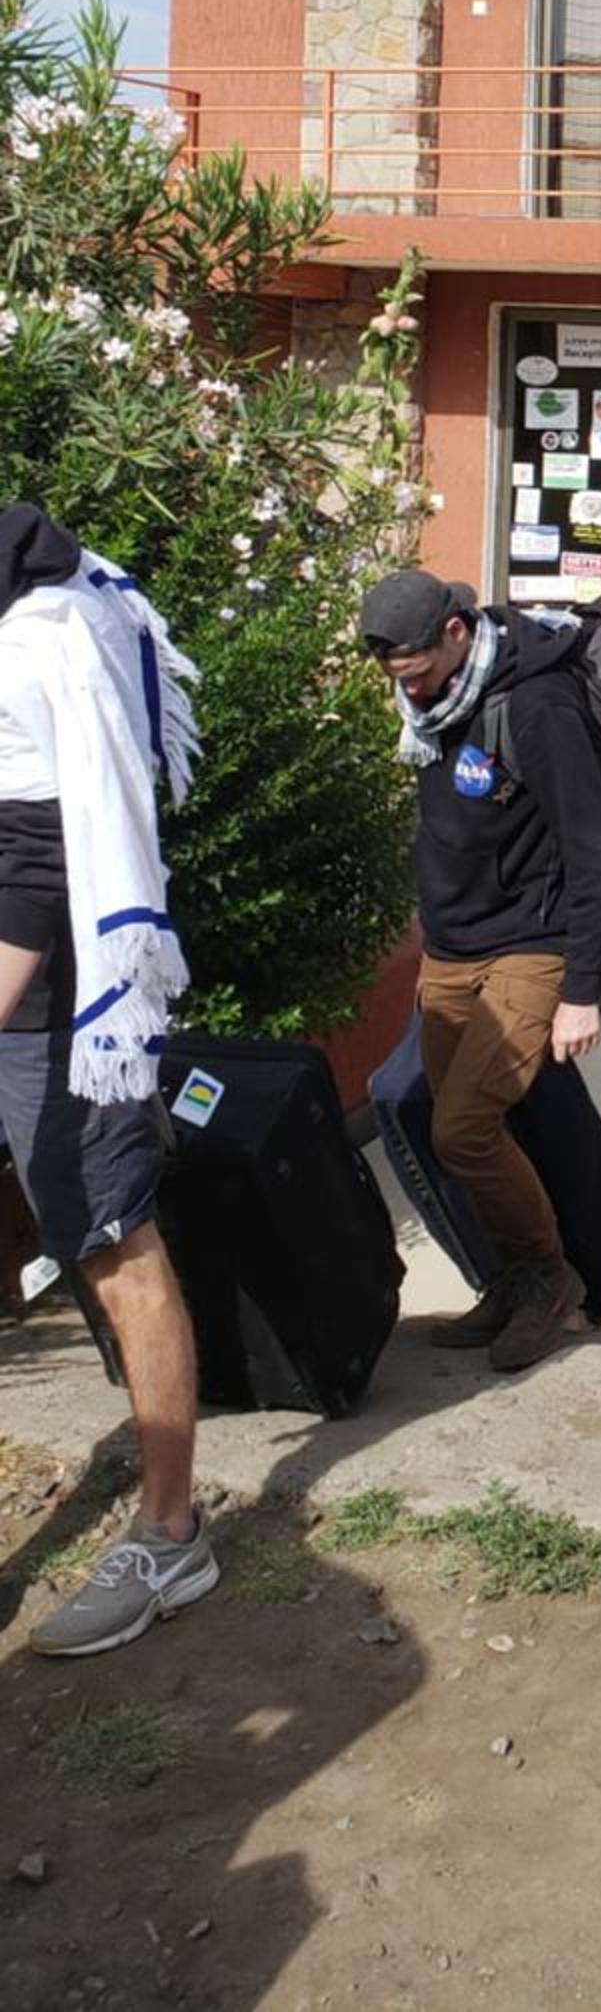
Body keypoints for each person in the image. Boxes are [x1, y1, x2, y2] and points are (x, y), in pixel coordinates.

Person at [0, 502, 218, 1657]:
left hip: (63, 1015)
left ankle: (171, 1532)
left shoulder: (35, 640)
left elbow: (38, 863)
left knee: (114, 1249)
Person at [358, 567, 601, 1373]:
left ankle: (548, 1278)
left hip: (530, 943)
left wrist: (580, 990)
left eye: (418, 672)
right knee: (455, 1125)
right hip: (452, 947)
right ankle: (511, 1276)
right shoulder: (430, 704)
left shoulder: (535, 706)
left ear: (456, 632)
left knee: (463, 1129)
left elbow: (591, 851)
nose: (409, 691)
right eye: (396, 678)